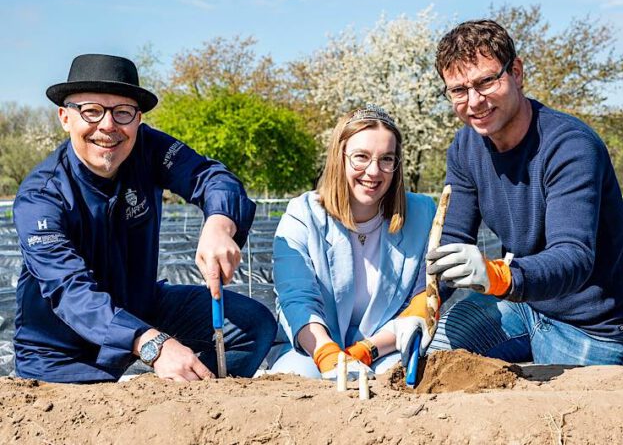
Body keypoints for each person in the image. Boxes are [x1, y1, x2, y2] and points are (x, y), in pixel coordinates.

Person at [13, 53, 276, 383]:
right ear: (65, 117)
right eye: (91, 111)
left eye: (123, 112)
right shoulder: (41, 196)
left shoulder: (148, 149)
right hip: (62, 351)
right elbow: (69, 291)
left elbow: (210, 177)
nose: (108, 126)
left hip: (140, 304)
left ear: (138, 119)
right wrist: (153, 344)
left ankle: (197, 414)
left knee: (252, 323)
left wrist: (219, 224)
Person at [426, 19, 623, 366]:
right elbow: (452, 236)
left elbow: (574, 255)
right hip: (521, 304)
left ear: (516, 72)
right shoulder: (466, 145)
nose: (474, 102)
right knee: (433, 359)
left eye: (486, 81)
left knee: (563, 417)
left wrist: (498, 274)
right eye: (458, 90)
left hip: (589, 322)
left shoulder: (569, 147)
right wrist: (417, 307)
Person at [270, 105, 436, 379]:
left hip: (386, 348)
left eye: (386, 159)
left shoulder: (422, 214)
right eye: (361, 157)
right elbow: (296, 299)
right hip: (314, 348)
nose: (373, 172)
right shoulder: (302, 214)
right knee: (297, 382)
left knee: (397, 382)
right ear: (340, 158)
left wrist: (366, 350)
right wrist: (328, 355)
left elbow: (422, 297)